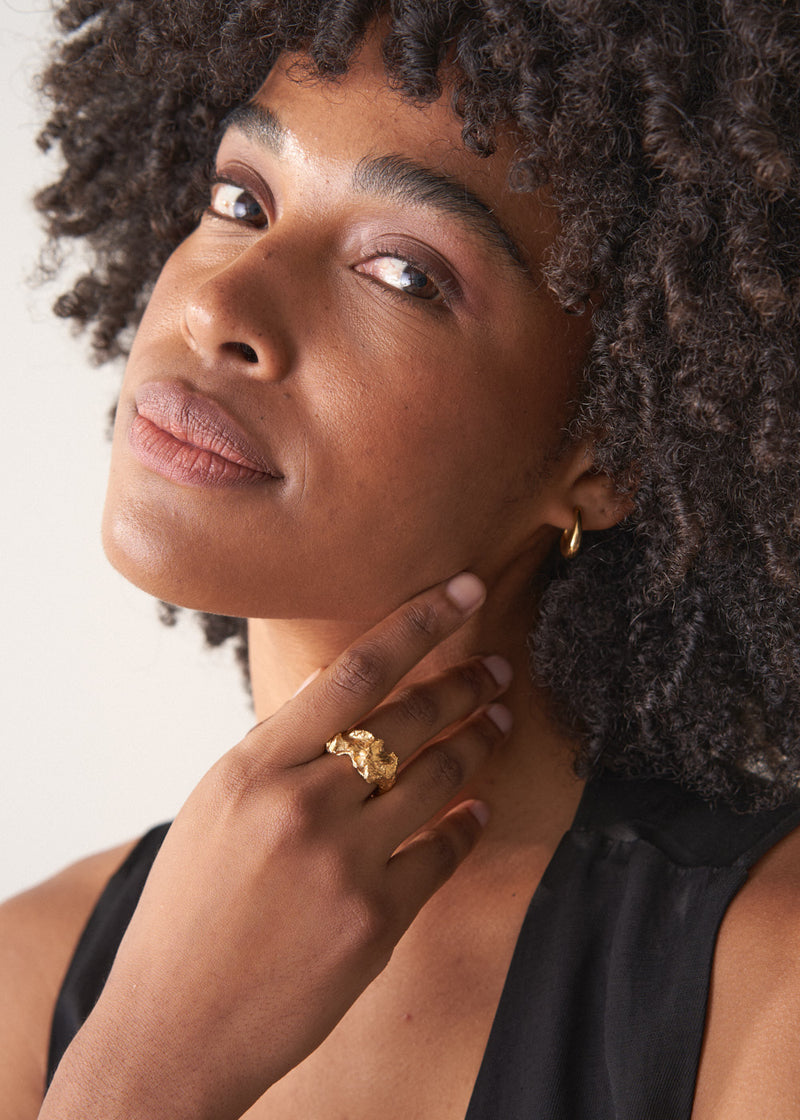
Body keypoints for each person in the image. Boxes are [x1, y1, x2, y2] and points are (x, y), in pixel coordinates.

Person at [2, 1, 799, 1116]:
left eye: (402, 272)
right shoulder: (29, 973)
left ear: (610, 449)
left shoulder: (765, 983)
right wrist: (140, 1067)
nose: (218, 304)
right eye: (242, 201)